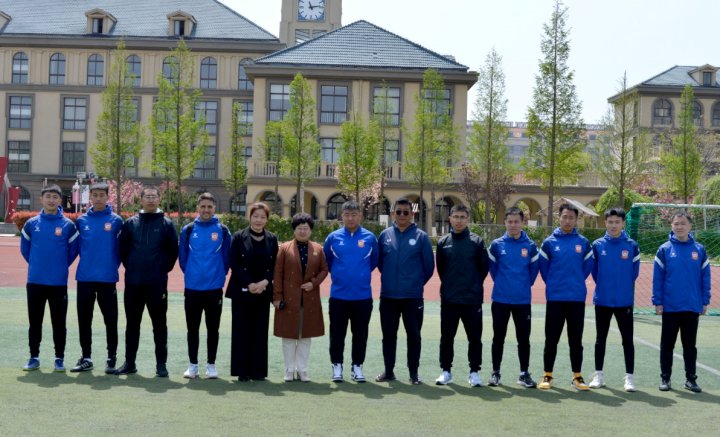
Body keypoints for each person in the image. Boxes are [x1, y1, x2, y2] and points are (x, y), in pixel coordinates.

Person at [115, 186, 178, 377]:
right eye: (147, 197)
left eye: (154, 196)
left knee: (159, 325)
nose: (150, 200)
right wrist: (134, 267)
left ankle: (161, 365)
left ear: (159, 199)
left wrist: (160, 269)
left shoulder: (167, 224)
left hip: (156, 284)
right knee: (132, 324)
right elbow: (123, 250)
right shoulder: (130, 223)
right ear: (141, 200)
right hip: (133, 283)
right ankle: (130, 363)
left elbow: (172, 252)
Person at [20, 185, 79, 372]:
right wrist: (37, 264)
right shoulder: (31, 224)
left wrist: (59, 265)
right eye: (48, 197)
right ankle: (34, 357)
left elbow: (73, 251)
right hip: (35, 281)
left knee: (59, 323)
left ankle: (59, 358)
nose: (51, 200)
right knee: (35, 322)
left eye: (55, 197)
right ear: (41, 199)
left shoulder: (68, 225)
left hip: (58, 283)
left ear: (60, 200)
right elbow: (25, 249)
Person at [376, 198, 434, 385]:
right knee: (388, 336)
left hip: (412, 297)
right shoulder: (384, 235)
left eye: (406, 212)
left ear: (412, 214)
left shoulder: (421, 237)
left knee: (414, 336)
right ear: (393, 213)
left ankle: (413, 373)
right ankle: (389, 371)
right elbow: (380, 263)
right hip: (388, 296)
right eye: (398, 211)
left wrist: (414, 283)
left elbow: (428, 267)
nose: (402, 215)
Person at [653, 211, 711, 393]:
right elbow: (657, 279)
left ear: (690, 226)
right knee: (667, 345)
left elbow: (705, 278)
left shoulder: (699, 250)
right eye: (676, 223)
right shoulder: (664, 249)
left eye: (683, 223)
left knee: (690, 346)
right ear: (671, 226)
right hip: (670, 307)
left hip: (692, 306)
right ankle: (665, 378)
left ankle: (691, 379)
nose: (679, 227)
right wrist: (658, 301)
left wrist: (705, 301)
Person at [537, 203, 593, 391]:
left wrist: (575, 281)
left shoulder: (583, 243)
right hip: (555, 298)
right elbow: (544, 269)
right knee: (551, 339)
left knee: (575, 340)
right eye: (564, 217)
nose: (568, 220)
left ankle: (577, 376)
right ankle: (547, 375)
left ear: (576, 220)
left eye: (571, 218)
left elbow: (587, 268)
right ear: (558, 218)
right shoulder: (549, 243)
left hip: (576, 298)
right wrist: (555, 283)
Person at [324, 201, 379, 383]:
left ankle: (357, 367)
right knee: (337, 334)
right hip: (338, 296)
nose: (350, 218)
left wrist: (360, 275)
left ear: (360, 216)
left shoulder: (370, 238)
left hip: (362, 296)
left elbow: (374, 262)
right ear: (342, 216)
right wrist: (340, 276)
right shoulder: (333, 238)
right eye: (347, 214)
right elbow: (328, 261)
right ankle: (337, 366)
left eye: (354, 214)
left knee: (360, 334)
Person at [71, 182, 123, 374]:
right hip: (85, 278)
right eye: (95, 195)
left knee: (111, 320)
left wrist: (111, 265)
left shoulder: (117, 221)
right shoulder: (81, 221)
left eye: (102, 195)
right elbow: (75, 248)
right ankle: (86, 358)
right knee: (84, 320)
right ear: (90, 197)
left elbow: (121, 250)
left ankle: (111, 358)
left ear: (108, 197)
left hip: (107, 278)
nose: (98, 198)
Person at [435, 204, 489, 387]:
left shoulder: (477, 242)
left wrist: (472, 286)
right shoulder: (443, 243)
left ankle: (474, 372)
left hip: (472, 300)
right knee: (446, 337)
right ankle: (446, 371)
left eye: (462, 217)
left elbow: (484, 269)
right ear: (450, 218)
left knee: (475, 339)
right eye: (456, 217)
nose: (459, 220)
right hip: (450, 299)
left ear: (468, 219)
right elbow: (441, 270)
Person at [179, 193, 231, 380]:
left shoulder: (223, 230)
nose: (206, 210)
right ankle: (193, 365)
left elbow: (227, 258)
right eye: (203, 206)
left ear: (214, 208)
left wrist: (218, 275)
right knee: (192, 329)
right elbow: (183, 258)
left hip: (214, 288)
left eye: (209, 206)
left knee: (213, 329)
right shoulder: (188, 230)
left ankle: (211, 365)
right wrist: (192, 274)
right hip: (192, 288)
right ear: (197, 208)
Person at [487, 207, 539, 388]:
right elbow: (493, 270)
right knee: (498, 338)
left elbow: (533, 273)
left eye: (516, 221)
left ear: (523, 222)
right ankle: (495, 373)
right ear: (505, 223)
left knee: (523, 339)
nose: (513, 225)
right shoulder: (496, 245)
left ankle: (524, 374)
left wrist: (521, 286)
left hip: (522, 301)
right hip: (500, 300)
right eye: (509, 221)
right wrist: (504, 284)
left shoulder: (530, 246)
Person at [273, 213, 329, 382]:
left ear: (310, 230)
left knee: (305, 336)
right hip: (288, 298)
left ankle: (303, 370)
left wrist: (314, 283)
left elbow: (324, 269)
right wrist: (277, 297)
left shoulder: (318, 249)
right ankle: (289, 370)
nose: (303, 231)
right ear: (294, 230)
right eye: (299, 228)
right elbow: (278, 273)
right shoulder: (284, 248)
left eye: (306, 228)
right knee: (289, 336)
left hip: (309, 298)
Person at [589, 207, 640, 392]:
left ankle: (629, 378)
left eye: (617, 222)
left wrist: (621, 287)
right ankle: (598, 375)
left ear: (623, 223)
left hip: (624, 301)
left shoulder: (632, 245)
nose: (613, 225)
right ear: (605, 223)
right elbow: (594, 272)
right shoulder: (597, 245)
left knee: (627, 341)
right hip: (603, 300)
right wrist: (605, 285)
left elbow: (634, 273)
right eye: (610, 222)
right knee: (600, 340)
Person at [226, 202, 278, 381]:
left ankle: (258, 371)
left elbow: (275, 265)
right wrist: (249, 283)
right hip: (242, 290)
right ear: (249, 217)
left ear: (267, 219)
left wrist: (265, 282)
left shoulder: (272, 238)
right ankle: (242, 371)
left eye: (262, 217)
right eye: (255, 216)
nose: (258, 220)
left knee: (260, 331)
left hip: (263, 291)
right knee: (241, 330)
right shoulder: (238, 237)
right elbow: (234, 263)